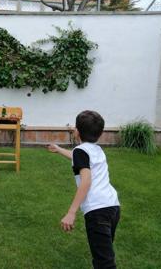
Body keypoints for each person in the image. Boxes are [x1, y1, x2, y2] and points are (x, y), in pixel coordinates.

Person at [48, 110, 120, 269]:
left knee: (104, 263)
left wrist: (71, 212)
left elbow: (86, 180)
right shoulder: (95, 150)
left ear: (77, 132)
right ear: (99, 134)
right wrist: (59, 149)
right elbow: (78, 158)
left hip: (97, 211)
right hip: (113, 206)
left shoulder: (81, 151)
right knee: (104, 252)